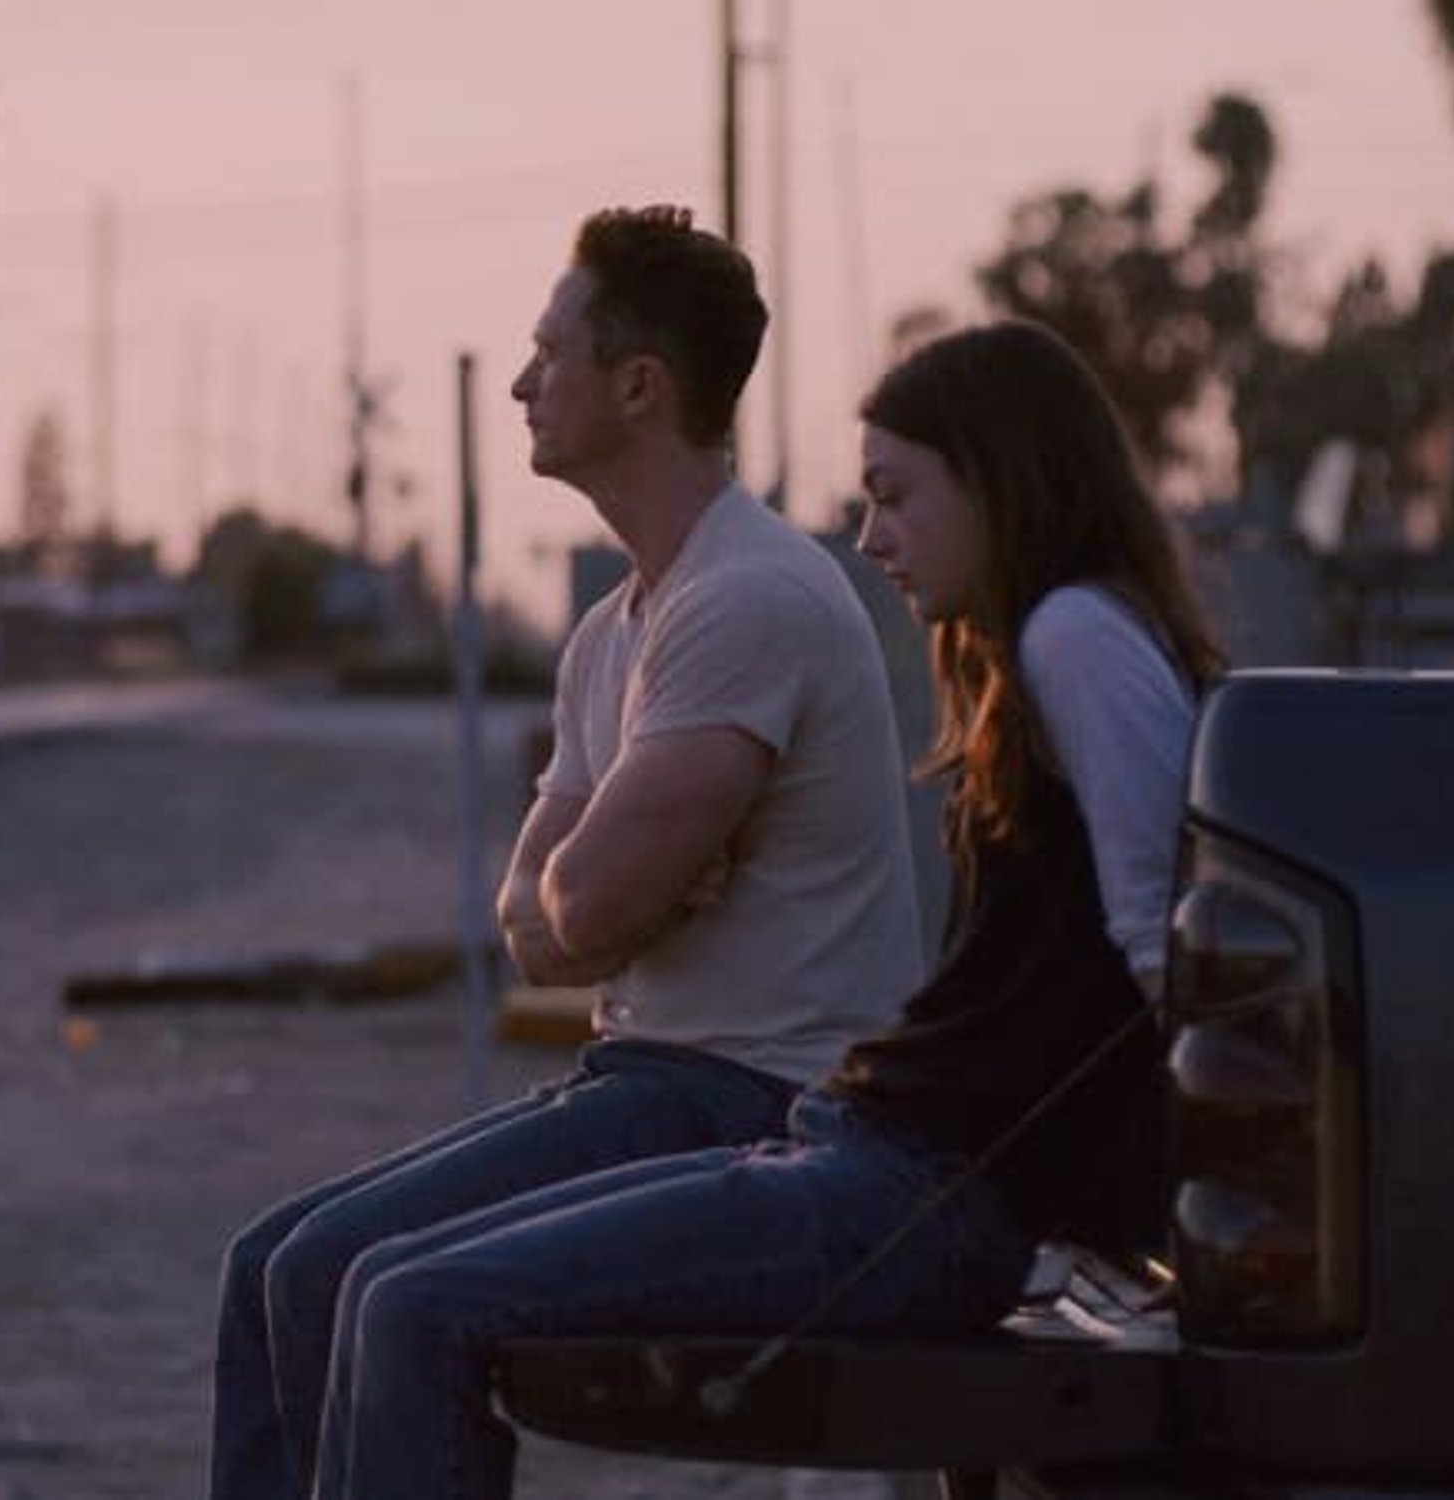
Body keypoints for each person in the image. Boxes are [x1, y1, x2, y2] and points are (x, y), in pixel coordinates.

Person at [305, 318, 1225, 1500]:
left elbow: (1166, 944)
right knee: (383, 1283)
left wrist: (1207, 1219)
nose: (868, 536)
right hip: (862, 1156)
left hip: (917, 1198)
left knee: (416, 1304)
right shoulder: (1027, 651)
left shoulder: (1074, 636)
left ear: (1000, 480)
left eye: (896, 496)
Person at [207, 205, 925, 1500]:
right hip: (644, 1082)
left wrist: (591, 889)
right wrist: (593, 887)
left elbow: (581, 916)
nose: (526, 383)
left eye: (552, 353)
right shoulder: (616, 631)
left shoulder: (749, 598)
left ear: (641, 387)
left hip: (765, 1110)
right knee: (275, 1266)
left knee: (382, 1295)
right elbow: (537, 920)